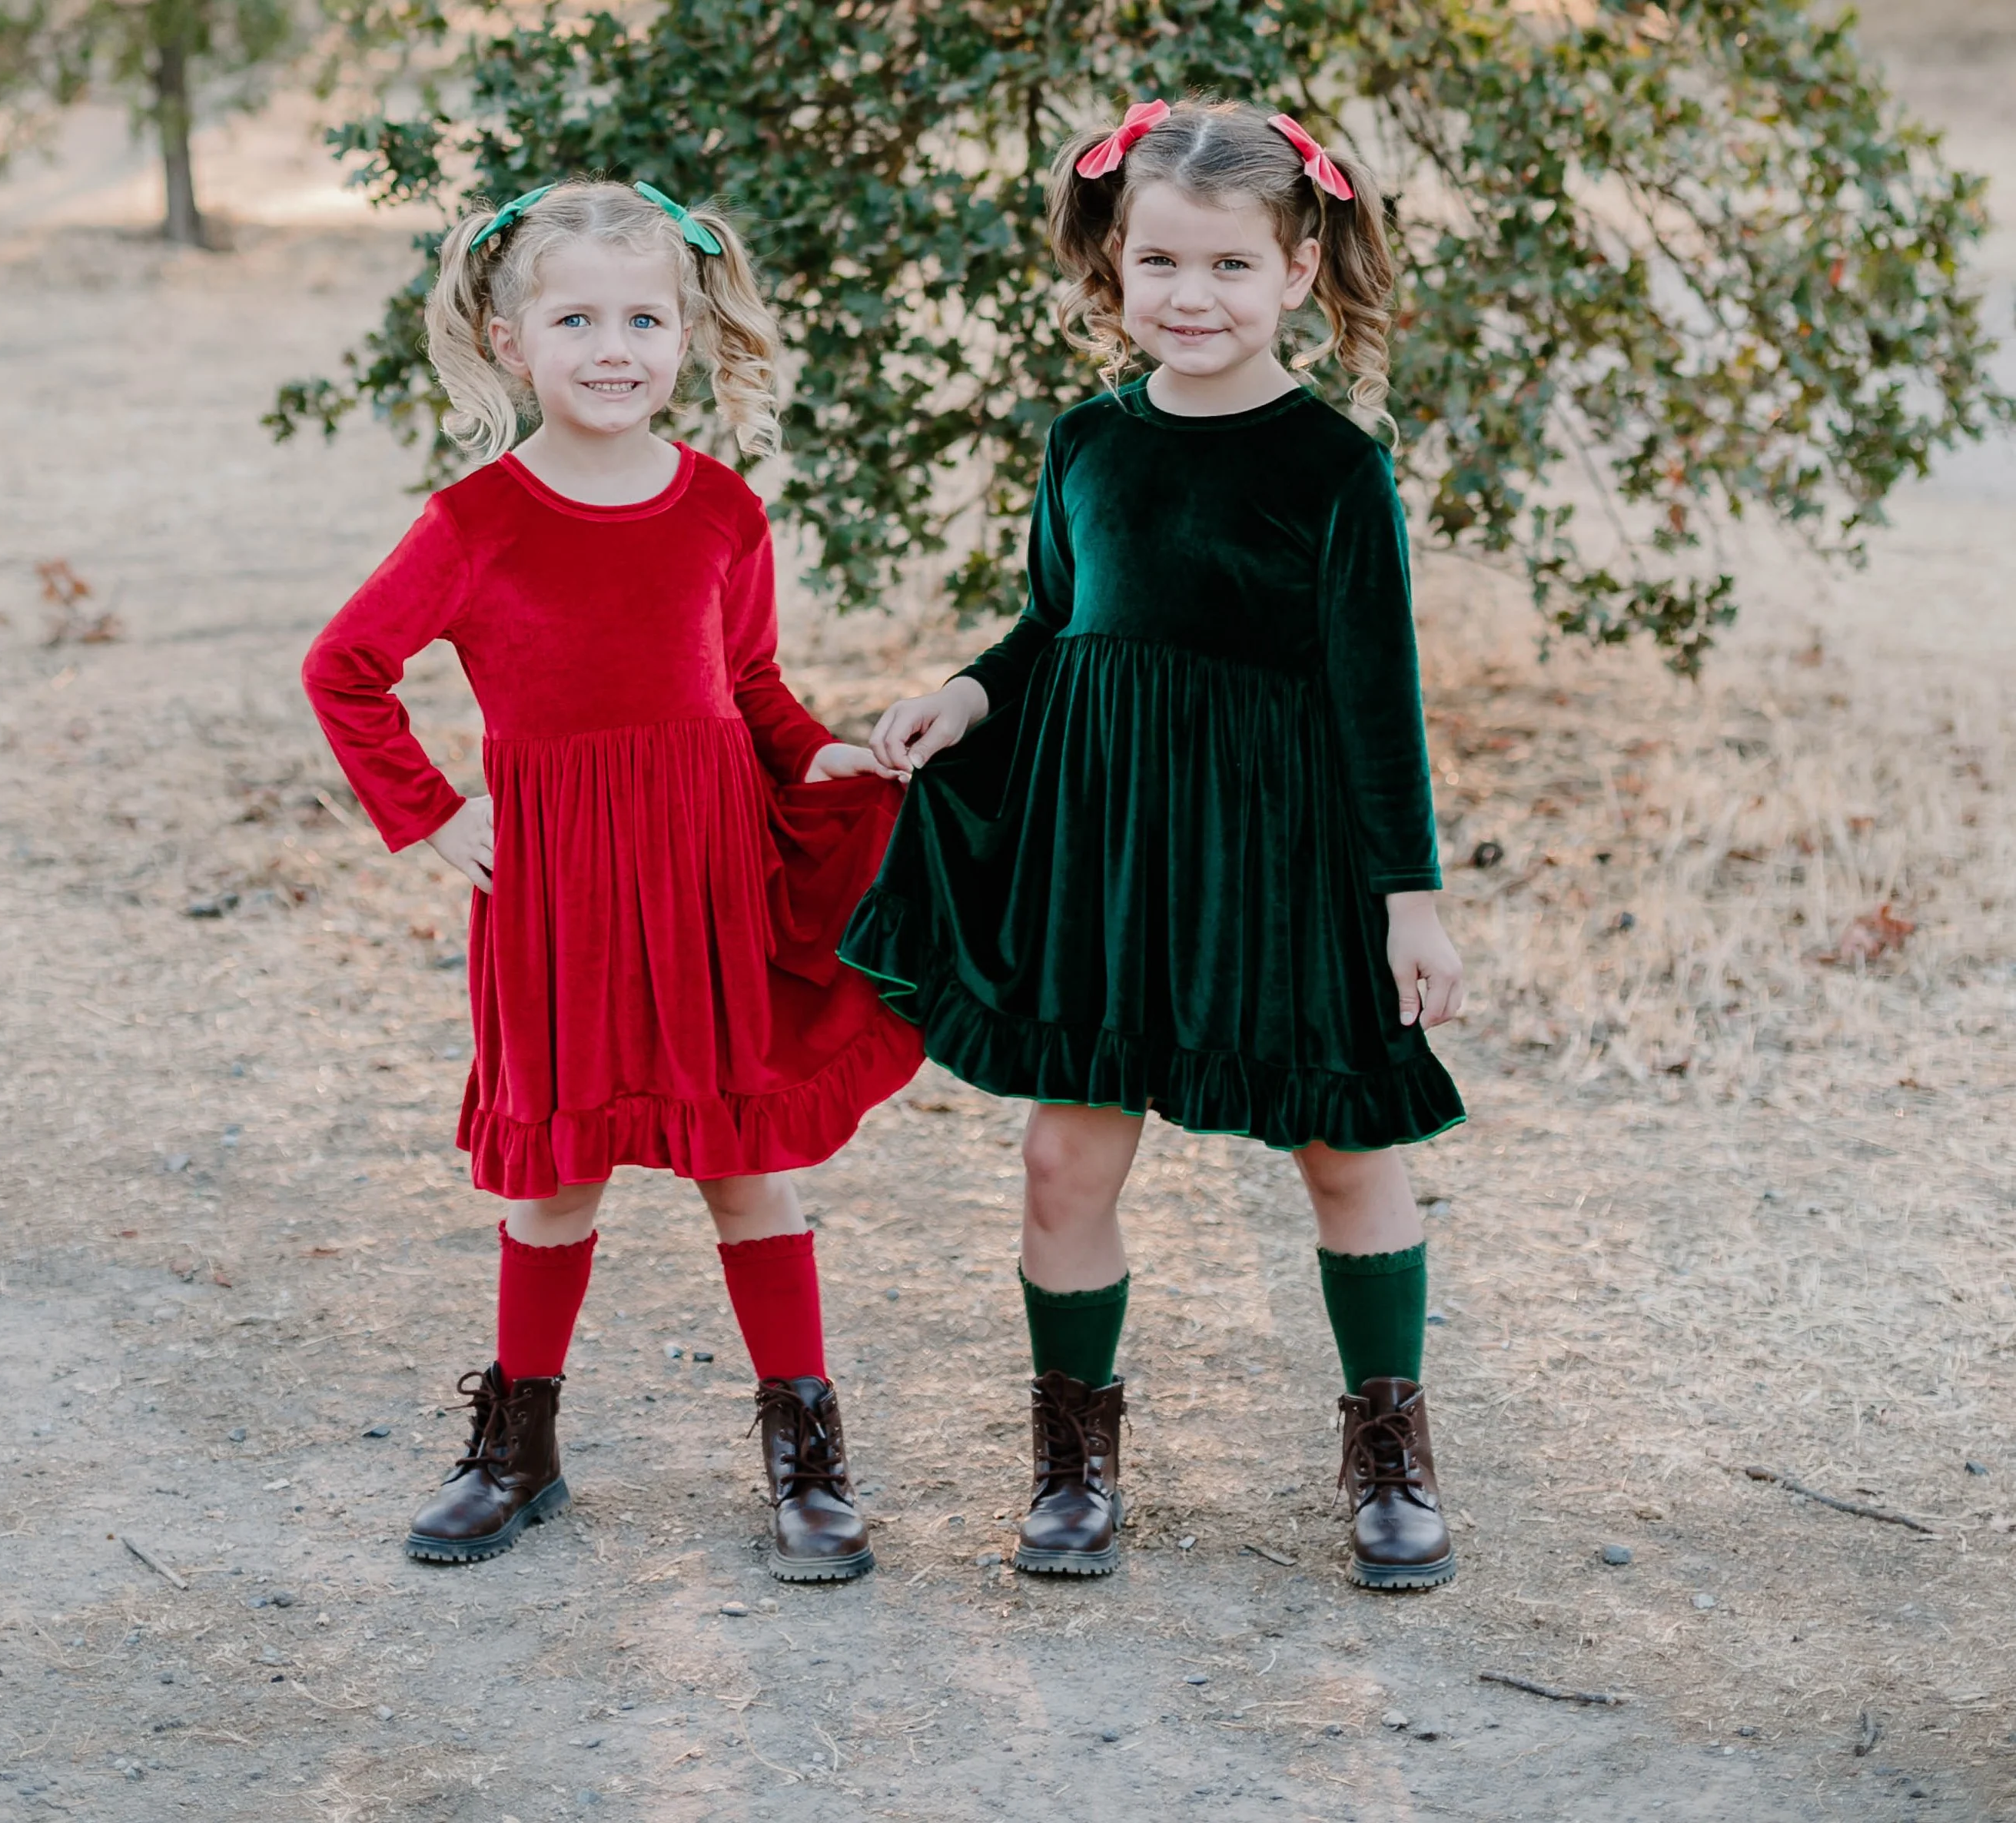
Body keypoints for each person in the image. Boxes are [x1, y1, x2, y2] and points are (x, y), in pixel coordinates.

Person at [840, 99, 1468, 1589]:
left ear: (1300, 270)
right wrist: (965, 690)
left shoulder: (1330, 465)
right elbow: (1057, 625)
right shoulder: (1087, 444)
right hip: (1104, 853)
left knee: (1344, 1150)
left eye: (1230, 268)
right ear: (1113, 269)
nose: (1192, 299)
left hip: (1281, 856)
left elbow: (1379, 701)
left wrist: (1408, 899)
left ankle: (1387, 1445)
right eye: (1160, 265)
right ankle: (1074, 1457)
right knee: (1063, 1161)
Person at [302, 178, 923, 1582]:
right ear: (515, 342)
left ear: (688, 334)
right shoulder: (474, 523)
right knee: (558, 1181)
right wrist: (430, 810)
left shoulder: (719, 511)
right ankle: (519, 1448)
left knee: (745, 1166)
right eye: (576, 318)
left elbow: (752, 685)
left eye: (645, 317)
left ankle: (805, 1456)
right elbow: (344, 669)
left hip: (709, 882)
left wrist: (823, 757)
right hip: (561, 898)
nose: (613, 347)